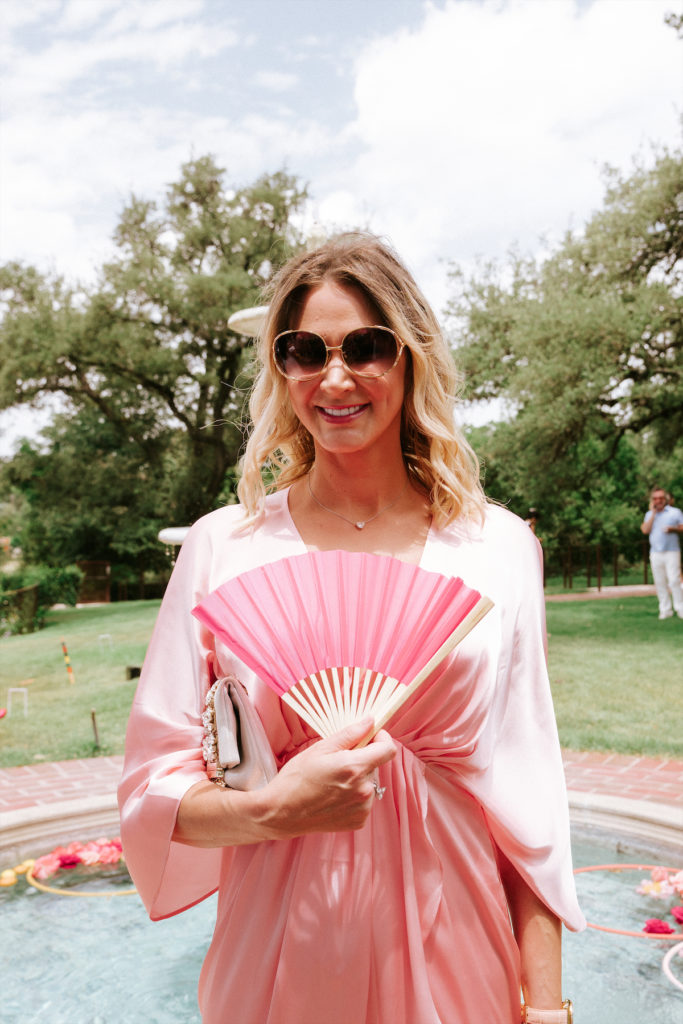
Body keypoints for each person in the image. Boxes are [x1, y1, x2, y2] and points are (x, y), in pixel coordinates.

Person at [118, 233, 584, 1024]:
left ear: (410, 356)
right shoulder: (222, 548)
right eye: (303, 350)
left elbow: (530, 798)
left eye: (365, 346)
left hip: (456, 940)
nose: (334, 377)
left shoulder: (498, 547)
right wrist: (273, 810)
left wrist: (545, 1009)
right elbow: (152, 795)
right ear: (281, 368)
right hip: (279, 948)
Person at [640, 486, 683, 620]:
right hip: (655, 553)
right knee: (660, 582)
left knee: (674, 580)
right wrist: (653, 513)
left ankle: (680, 607)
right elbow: (645, 530)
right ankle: (665, 610)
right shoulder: (649, 514)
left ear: (666, 499)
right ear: (652, 500)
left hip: (672, 551)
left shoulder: (675, 512)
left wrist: (673, 529)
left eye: (661, 498)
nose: (658, 501)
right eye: (655, 498)